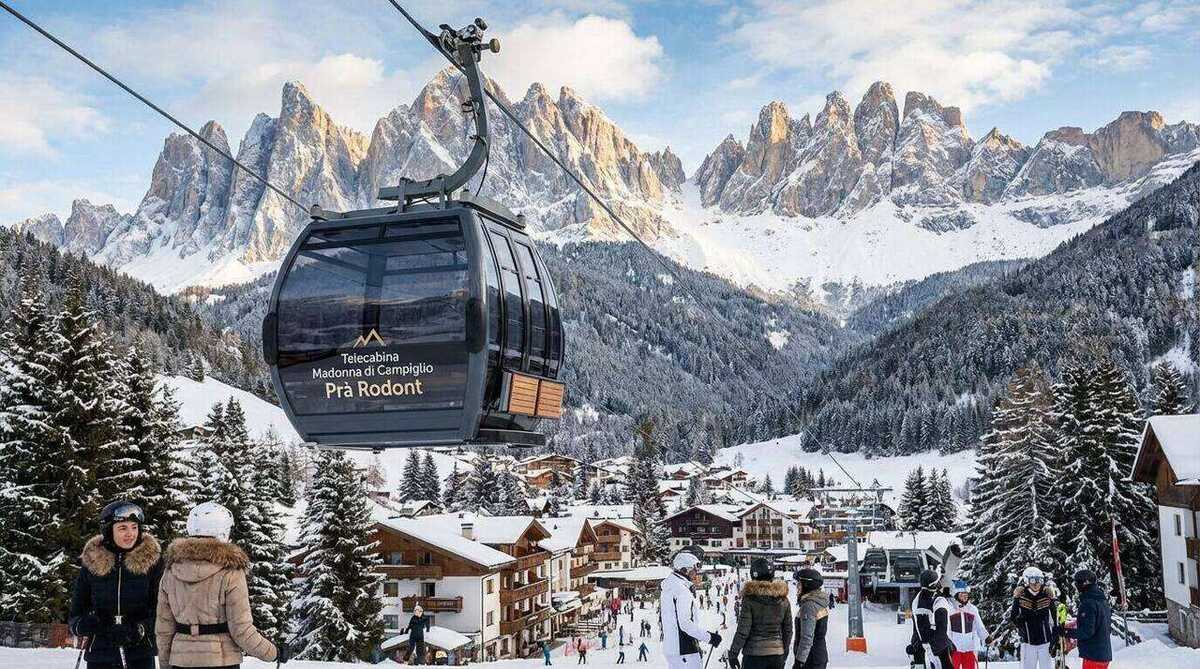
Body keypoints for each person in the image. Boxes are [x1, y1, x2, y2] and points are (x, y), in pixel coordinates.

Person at [156, 501, 282, 668]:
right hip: (222, 661)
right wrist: (274, 653)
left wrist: (166, 664)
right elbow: (241, 630)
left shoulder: (171, 571)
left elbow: (164, 630)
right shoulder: (231, 571)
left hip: (181, 661)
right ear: (223, 531)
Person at [69, 501, 164, 669]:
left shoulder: (152, 563)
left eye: (134, 527)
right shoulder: (92, 562)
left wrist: (139, 629)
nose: (130, 534)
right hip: (100, 653)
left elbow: (162, 610)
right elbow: (76, 612)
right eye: (123, 528)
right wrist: (85, 624)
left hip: (139, 654)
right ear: (108, 530)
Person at [661, 549, 722, 669]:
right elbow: (685, 623)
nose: (696, 573)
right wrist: (709, 638)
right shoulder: (681, 590)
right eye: (694, 569)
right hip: (684, 649)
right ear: (685, 569)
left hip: (674, 647)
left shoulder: (670, 587)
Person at [727, 557, 792, 669]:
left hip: (753, 655)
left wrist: (733, 653)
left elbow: (743, 631)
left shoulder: (750, 599)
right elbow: (788, 630)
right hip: (776, 655)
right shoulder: (783, 600)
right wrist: (783, 653)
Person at [1009, 566, 1059, 669]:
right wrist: (1020, 623)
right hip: (1028, 642)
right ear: (1027, 581)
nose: (1036, 584)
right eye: (1033, 580)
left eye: (1039, 580)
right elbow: (1013, 617)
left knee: (1046, 667)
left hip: (1045, 641)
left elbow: (1055, 617)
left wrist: (1055, 637)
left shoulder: (1046, 594)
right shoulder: (1022, 595)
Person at [1061, 569, 1112, 669]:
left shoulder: (1089, 603)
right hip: (1102, 654)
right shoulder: (1101, 600)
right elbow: (1097, 624)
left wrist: (1066, 632)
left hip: (1094, 655)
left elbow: (1087, 631)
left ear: (1084, 583)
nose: (1076, 587)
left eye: (1077, 583)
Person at [910, 569, 954, 669]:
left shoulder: (916, 600)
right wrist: (947, 644)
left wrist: (915, 643)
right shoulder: (939, 600)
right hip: (939, 648)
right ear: (933, 584)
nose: (940, 583)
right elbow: (942, 628)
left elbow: (916, 626)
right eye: (937, 581)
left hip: (920, 646)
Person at [947, 581, 989, 669]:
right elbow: (946, 628)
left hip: (969, 647)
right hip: (954, 648)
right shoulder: (949, 609)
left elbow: (979, 626)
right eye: (962, 593)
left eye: (966, 593)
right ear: (955, 594)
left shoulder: (972, 609)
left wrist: (986, 637)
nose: (965, 596)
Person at [792, 568, 829, 669]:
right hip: (818, 656)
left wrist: (799, 661)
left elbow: (807, 637)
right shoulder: (818, 602)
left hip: (810, 659)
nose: (797, 587)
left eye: (799, 584)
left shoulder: (809, 606)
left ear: (807, 585)